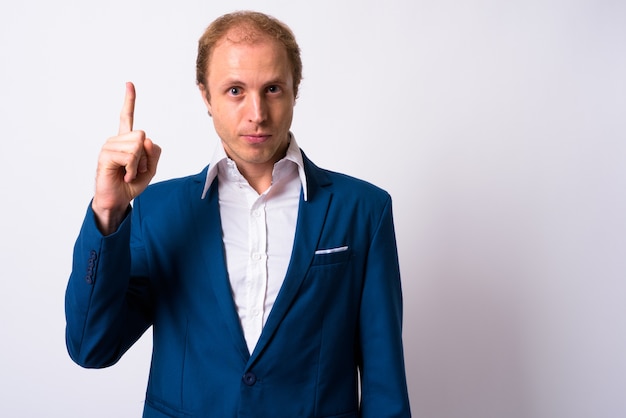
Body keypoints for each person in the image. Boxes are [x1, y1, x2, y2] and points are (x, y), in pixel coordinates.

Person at [65, 10, 411, 418]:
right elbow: (92, 347)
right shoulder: (158, 211)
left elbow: (384, 383)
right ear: (205, 96)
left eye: (273, 89)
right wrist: (109, 209)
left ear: (295, 90)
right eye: (234, 90)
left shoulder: (363, 210)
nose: (257, 113)